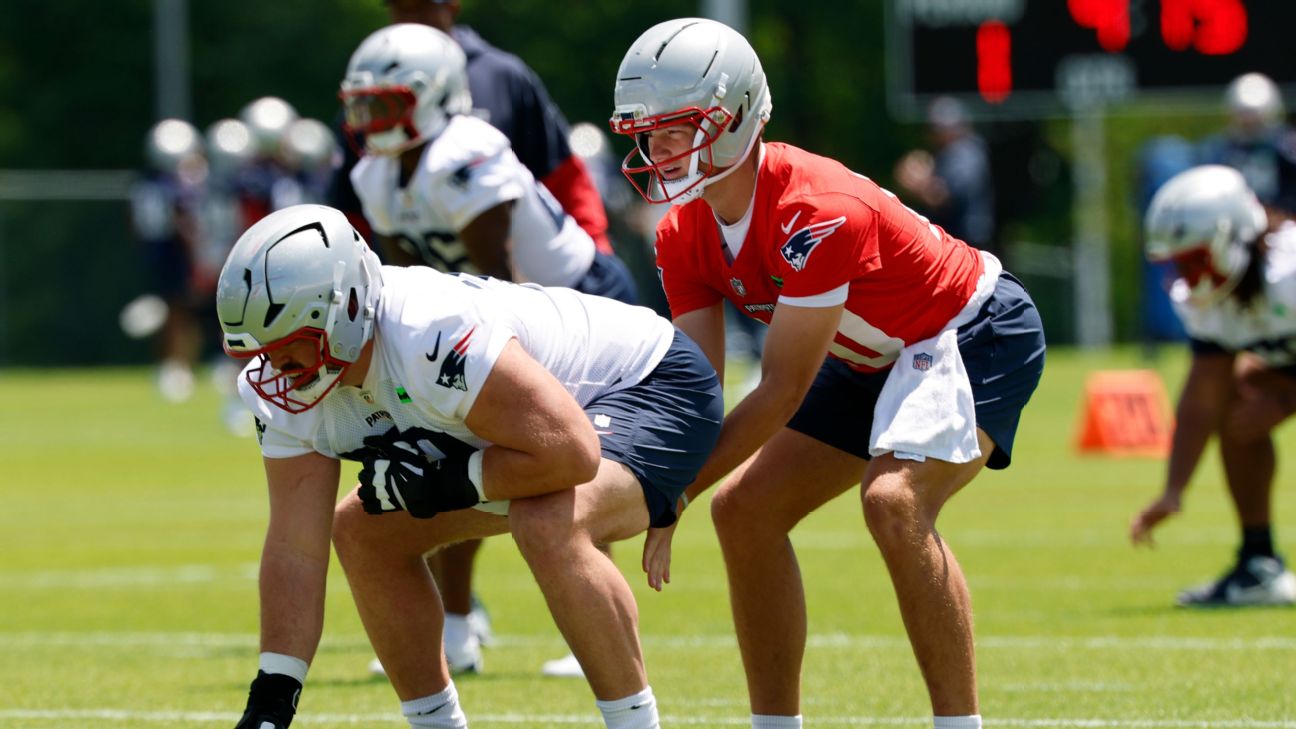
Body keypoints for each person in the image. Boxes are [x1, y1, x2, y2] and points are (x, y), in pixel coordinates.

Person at [609, 18, 1045, 729]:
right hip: (871, 352)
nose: (657, 153)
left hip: (970, 327)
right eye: (647, 135)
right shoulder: (681, 232)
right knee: (743, 511)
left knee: (894, 502)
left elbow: (781, 389)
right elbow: (697, 390)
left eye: (675, 131)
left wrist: (673, 495)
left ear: (734, 118)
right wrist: (640, 471)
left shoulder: (815, 209)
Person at [218, 204, 722, 729]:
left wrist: (447, 483)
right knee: (363, 533)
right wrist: (272, 698)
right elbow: (294, 547)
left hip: (651, 381)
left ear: (343, 310)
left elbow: (570, 452)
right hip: (541, 430)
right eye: (263, 352)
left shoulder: (427, 331)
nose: (275, 370)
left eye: (289, 347)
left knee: (547, 520)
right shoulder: (285, 385)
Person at [339, 21, 639, 676]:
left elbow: (500, 279)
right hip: (496, 309)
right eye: (362, 107)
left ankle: (589, 632)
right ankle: (455, 628)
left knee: (561, 464)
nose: (369, 122)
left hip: (575, 303)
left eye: (384, 104)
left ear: (433, 96)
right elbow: (406, 285)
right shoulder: (376, 175)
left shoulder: (465, 151)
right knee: (445, 445)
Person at [1129, 164, 1296, 606]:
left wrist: (1285, 399)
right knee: (1234, 397)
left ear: (1231, 237)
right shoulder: (1213, 300)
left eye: (1193, 260)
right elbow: (1204, 397)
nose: (1186, 277)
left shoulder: (1290, 273)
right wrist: (1173, 491)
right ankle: (1259, 564)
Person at [127, 118, 209, 403]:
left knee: (181, 312)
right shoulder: (167, 185)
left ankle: (180, 366)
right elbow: (179, 222)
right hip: (169, 253)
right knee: (177, 311)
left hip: (164, 253)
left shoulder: (147, 183)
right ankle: (176, 367)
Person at [893, 96, 997, 257]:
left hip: (967, 246)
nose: (934, 134)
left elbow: (947, 197)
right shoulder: (947, 154)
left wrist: (918, 184)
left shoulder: (966, 152)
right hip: (955, 243)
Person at [1199, 72, 1296, 220]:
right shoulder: (1217, 150)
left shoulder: (1287, 147)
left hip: (1282, 218)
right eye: (1244, 117)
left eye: (1255, 119)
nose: (1249, 124)